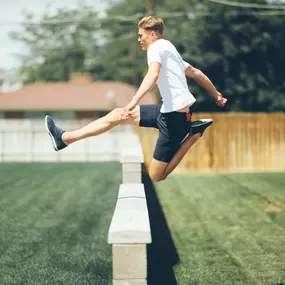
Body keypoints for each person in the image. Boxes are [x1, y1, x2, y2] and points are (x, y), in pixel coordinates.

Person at [45, 16, 227, 182]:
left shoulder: (156, 48)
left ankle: (194, 134)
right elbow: (196, 73)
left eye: (141, 35)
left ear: (153, 34)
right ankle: (65, 138)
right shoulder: (169, 48)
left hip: (174, 120)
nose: (139, 39)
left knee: (157, 175)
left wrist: (133, 101)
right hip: (167, 111)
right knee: (118, 115)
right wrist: (216, 95)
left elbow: (153, 74)